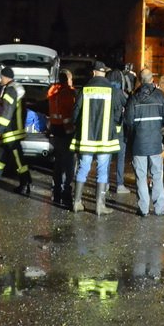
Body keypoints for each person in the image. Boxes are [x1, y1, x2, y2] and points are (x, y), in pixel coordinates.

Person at [71, 60, 124, 215]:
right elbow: (117, 112)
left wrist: (76, 126)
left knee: (83, 168)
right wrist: (116, 129)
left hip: (87, 137)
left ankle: (77, 202)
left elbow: (76, 112)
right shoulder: (112, 90)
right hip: (105, 138)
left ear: (93, 72)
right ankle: (100, 206)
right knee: (102, 170)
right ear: (104, 72)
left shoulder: (85, 89)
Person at [124, 68, 164, 216]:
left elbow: (128, 121)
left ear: (140, 80)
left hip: (139, 144)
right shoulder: (159, 96)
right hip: (155, 143)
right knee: (157, 175)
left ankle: (143, 209)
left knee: (141, 176)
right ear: (152, 80)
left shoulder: (134, 98)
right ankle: (159, 209)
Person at [0, 66, 31, 195]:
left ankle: (25, 183)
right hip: (14, 130)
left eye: (1, 77)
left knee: (18, 159)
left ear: (6, 77)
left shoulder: (10, 90)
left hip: (11, 131)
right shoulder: (16, 88)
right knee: (1, 155)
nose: (0, 79)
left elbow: (6, 111)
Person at [46, 68, 77, 206]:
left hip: (55, 131)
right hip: (66, 133)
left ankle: (56, 191)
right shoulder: (67, 93)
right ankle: (66, 193)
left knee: (58, 163)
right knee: (69, 163)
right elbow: (67, 114)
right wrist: (72, 130)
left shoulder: (53, 92)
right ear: (68, 79)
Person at [106, 68, 131, 194]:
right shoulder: (119, 93)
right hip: (118, 130)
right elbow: (128, 105)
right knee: (120, 157)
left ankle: (104, 183)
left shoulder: (105, 91)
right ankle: (119, 184)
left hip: (106, 130)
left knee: (107, 157)